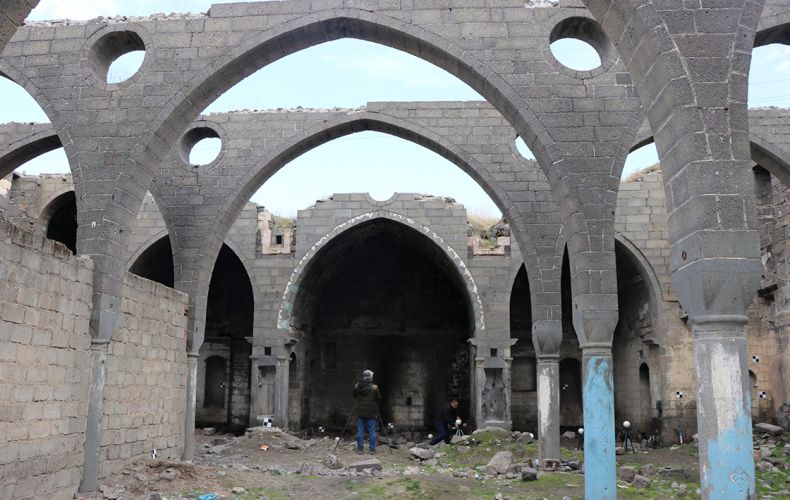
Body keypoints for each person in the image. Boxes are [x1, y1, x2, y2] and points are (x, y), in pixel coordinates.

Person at [352, 369, 381, 454]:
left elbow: (354, 395)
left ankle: (360, 449)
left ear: (364, 376)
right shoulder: (375, 387)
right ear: (370, 377)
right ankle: (372, 449)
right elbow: (379, 398)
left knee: (360, 430)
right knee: (372, 431)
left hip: (360, 411)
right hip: (372, 412)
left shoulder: (357, 386)